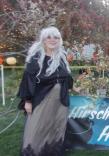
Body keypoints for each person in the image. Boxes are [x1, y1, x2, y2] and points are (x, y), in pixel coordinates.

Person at [17, 26, 73, 156]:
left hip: (60, 101)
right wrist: (27, 101)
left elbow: (66, 78)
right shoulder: (36, 59)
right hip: (41, 100)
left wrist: (76, 86)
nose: (52, 40)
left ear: (60, 40)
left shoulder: (62, 58)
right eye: (49, 37)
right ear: (43, 40)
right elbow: (27, 81)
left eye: (56, 37)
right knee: (36, 129)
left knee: (56, 128)